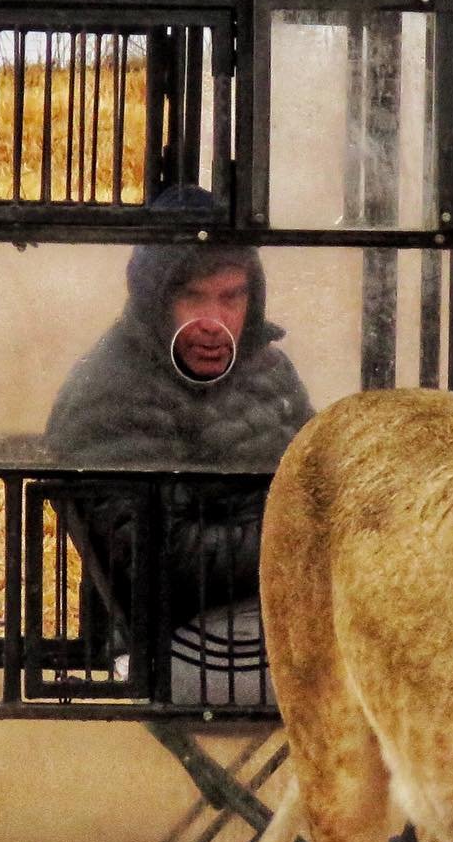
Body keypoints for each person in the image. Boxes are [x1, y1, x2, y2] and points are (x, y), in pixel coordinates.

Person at [46, 186, 312, 701]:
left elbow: (324, 475)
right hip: (181, 646)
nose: (214, 323)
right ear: (156, 298)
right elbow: (161, 568)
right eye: (194, 297)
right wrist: (306, 535)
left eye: (232, 297)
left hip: (274, 611)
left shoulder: (266, 368)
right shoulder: (114, 392)